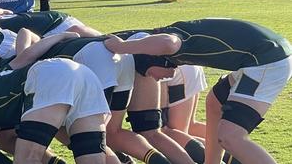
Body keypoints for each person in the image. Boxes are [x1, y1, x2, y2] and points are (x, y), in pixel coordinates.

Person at [104, 18, 292, 164]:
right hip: (261, 56)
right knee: (214, 102)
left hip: (267, 60)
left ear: (157, 58)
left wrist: (120, 47)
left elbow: (168, 43)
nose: (159, 79)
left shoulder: (172, 43)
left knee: (230, 137)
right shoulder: (178, 33)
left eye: (151, 73)